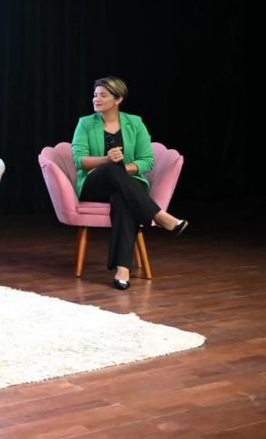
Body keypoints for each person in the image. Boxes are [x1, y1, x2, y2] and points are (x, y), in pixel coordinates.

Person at [71, 76, 188, 290]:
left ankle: (123, 269)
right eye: (95, 95)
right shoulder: (85, 123)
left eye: (103, 95)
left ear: (118, 99)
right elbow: (79, 160)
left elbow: (147, 161)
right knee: (109, 168)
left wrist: (121, 170)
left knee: (122, 199)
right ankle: (159, 215)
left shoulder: (135, 123)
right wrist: (106, 160)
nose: (96, 99)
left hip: (128, 185)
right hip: (95, 184)